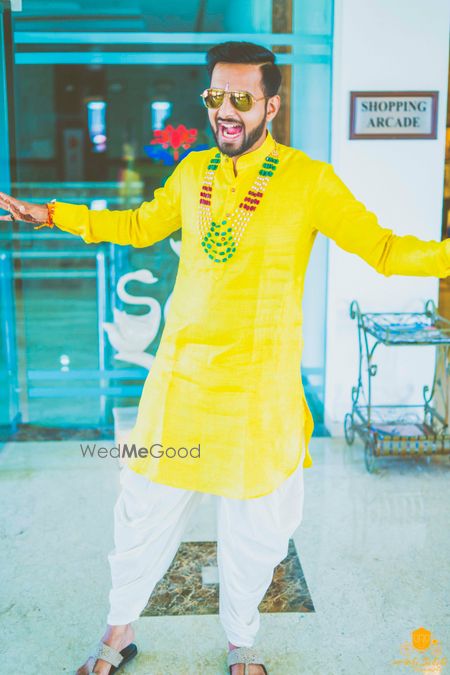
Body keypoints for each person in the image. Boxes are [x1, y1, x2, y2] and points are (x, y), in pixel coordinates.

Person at [1, 40, 449, 675]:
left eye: (242, 97)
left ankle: (242, 643)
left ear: (272, 105)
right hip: (182, 381)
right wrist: (51, 214)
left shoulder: (309, 180)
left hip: (258, 390)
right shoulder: (193, 171)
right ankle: (118, 631)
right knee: (143, 512)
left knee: (255, 528)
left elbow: (382, 248)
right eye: (216, 96)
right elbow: (138, 225)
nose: (226, 110)